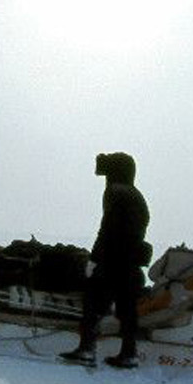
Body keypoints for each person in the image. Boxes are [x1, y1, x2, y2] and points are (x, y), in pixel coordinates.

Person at [60, 152, 151, 368]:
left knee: (92, 302)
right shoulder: (136, 196)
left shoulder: (115, 192)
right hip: (130, 261)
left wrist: (94, 258)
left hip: (113, 260)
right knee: (127, 310)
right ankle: (129, 353)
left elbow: (107, 229)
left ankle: (87, 349)